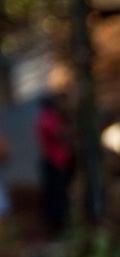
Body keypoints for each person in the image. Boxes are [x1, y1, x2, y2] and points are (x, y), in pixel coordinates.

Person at [35, 91, 74, 236]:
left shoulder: (49, 118)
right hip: (55, 162)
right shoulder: (48, 119)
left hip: (57, 162)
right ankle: (60, 227)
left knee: (58, 195)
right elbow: (59, 135)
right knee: (58, 197)